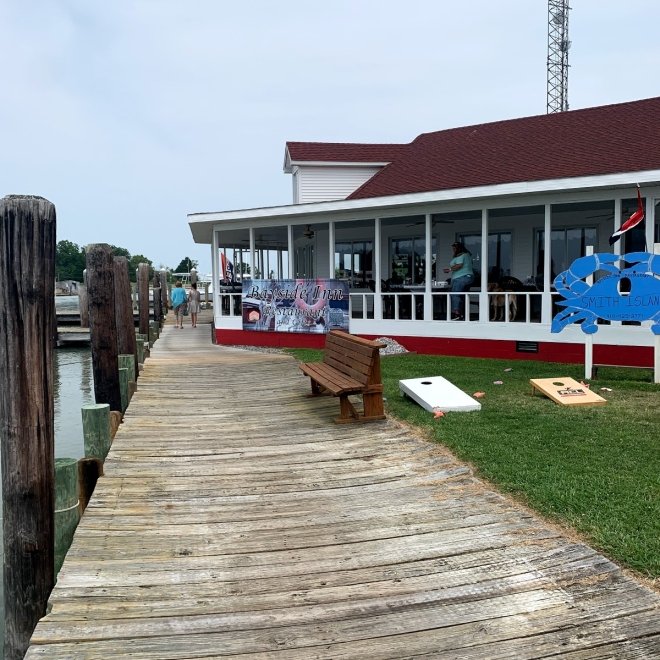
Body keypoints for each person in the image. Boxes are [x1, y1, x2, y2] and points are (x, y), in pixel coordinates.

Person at [447, 242, 474, 320]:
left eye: (454, 248)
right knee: (463, 296)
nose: (453, 250)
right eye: (453, 248)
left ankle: (457, 314)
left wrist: (449, 269)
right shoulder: (467, 255)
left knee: (455, 294)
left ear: (459, 248)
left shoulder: (461, 255)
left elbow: (459, 265)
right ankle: (464, 314)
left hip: (461, 278)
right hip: (469, 277)